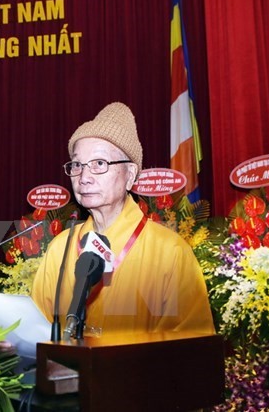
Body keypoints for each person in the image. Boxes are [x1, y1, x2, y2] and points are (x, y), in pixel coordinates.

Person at [31, 102, 215, 335]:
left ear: (130, 176)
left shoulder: (170, 251)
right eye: (77, 165)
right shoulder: (61, 249)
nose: (84, 177)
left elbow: (193, 346)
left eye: (99, 164)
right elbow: (36, 332)